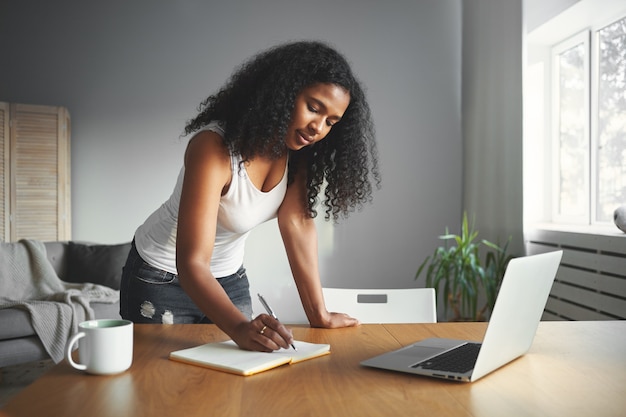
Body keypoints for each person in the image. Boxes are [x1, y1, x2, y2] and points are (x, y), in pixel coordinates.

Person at [120, 40, 380, 352]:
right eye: (313, 108)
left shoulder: (297, 152)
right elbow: (192, 263)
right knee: (162, 387)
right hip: (161, 277)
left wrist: (319, 314)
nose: (318, 128)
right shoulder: (213, 149)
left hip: (228, 279)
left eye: (330, 122)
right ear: (283, 93)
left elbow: (296, 223)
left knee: (233, 385)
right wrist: (241, 328)